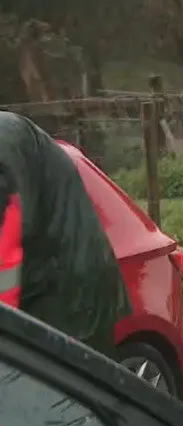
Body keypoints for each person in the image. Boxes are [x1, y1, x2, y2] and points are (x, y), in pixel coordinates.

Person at [0, 111, 130, 356]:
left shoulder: (4, 149)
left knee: (75, 388)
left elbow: (4, 260)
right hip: (49, 285)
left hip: (71, 295)